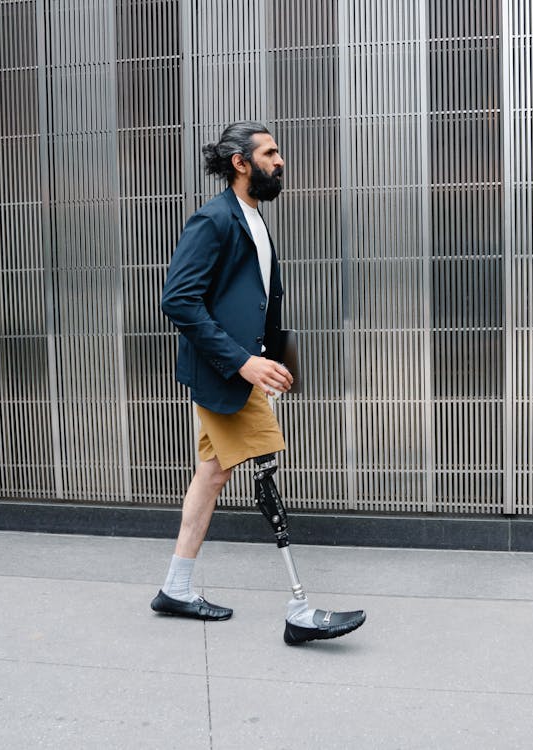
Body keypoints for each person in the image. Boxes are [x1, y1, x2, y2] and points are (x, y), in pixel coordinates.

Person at [152, 121, 366, 645]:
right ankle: (299, 610)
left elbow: (261, 303)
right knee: (265, 467)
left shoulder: (254, 221)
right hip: (224, 371)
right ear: (241, 163)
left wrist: (278, 361)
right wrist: (245, 364)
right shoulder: (213, 220)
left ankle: (175, 588)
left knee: (212, 475)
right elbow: (178, 300)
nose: (281, 160)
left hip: (240, 372)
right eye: (271, 153)